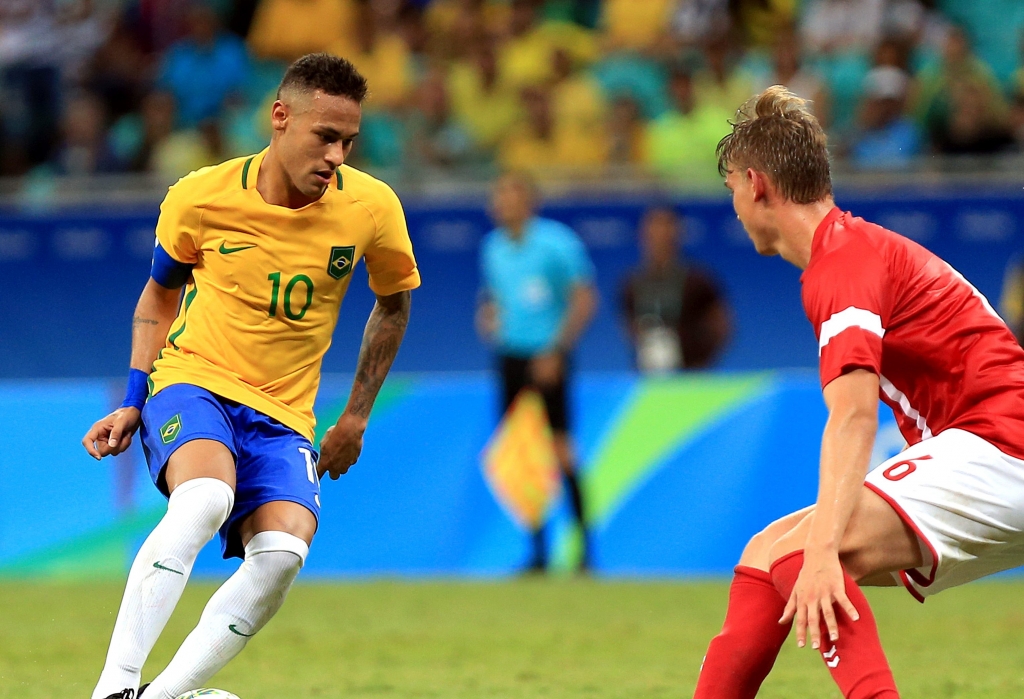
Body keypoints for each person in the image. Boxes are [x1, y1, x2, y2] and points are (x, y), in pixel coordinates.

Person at [82, 53, 420, 699]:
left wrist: (355, 414)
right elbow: (157, 297)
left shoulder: (372, 208)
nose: (337, 156)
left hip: (286, 413)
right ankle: (113, 687)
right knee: (205, 499)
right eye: (325, 136)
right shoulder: (199, 196)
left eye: (349, 141)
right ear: (280, 117)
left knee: (284, 555)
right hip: (195, 381)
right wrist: (133, 397)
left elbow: (395, 300)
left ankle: (160, 696)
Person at [694, 85, 1024, 698]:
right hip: (997, 449)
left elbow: (852, 416)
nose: (735, 206)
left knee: (811, 557)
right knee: (768, 556)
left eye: (732, 187)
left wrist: (823, 552)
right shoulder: (852, 249)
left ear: (757, 183)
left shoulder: (841, 265)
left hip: (1002, 447)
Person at [477, 172, 598, 572]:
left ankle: (584, 548)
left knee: (562, 451)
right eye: (497, 196)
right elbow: (496, 296)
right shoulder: (492, 247)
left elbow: (582, 297)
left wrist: (558, 350)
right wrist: (489, 314)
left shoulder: (556, 243)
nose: (500, 204)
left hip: (548, 357)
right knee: (523, 454)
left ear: (528, 202)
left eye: (508, 196)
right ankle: (538, 551)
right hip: (510, 357)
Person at [622, 207, 730, 372]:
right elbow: (631, 327)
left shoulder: (697, 281)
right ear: (643, 234)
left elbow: (722, 326)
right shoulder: (632, 284)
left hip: (691, 375)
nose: (660, 234)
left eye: (666, 227)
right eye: (654, 227)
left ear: (678, 232)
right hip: (648, 375)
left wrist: (700, 361)